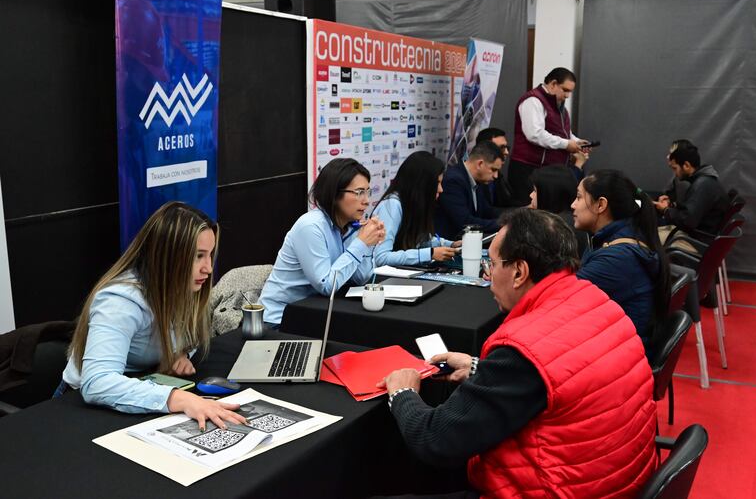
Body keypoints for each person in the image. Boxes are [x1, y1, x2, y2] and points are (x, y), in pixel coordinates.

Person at [379, 208, 657, 498]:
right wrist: (481, 369)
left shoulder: (525, 349)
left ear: (519, 272)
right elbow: (562, 383)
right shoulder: (598, 302)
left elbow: (434, 440)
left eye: (493, 264)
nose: (489, 274)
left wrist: (403, 394)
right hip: (614, 480)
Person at [60, 202, 246, 429]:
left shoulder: (185, 287)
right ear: (168, 257)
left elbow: (188, 337)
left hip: (138, 388)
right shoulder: (120, 301)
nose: (208, 268)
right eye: (198, 256)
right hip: (79, 407)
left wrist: (180, 352)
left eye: (209, 255)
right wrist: (179, 398)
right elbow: (98, 383)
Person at [258, 158, 386, 325]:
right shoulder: (311, 227)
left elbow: (361, 278)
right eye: (359, 192)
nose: (366, 200)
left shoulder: (349, 226)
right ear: (334, 194)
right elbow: (326, 286)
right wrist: (361, 243)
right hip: (278, 320)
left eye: (368, 192)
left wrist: (368, 243)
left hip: (315, 315)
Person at [572, 170, 671, 346]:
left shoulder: (617, 259)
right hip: (621, 347)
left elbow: (562, 299)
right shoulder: (625, 235)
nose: (573, 205)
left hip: (618, 355)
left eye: (579, 197)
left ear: (600, 205)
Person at [508, 67, 591, 206]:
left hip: (545, 169)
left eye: (570, 91)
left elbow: (563, 132)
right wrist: (566, 144)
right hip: (528, 169)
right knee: (531, 214)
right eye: (565, 90)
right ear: (553, 84)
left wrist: (577, 142)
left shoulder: (558, 106)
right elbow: (535, 134)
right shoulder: (533, 101)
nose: (567, 96)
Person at [372, 151, 460, 266]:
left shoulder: (413, 204)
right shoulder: (392, 205)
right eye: (437, 183)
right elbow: (381, 258)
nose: (441, 189)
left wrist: (451, 245)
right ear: (422, 184)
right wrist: (429, 254)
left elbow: (421, 239)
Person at [653, 142, 730, 241]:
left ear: (686, 165)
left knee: (647, 238)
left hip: (696, 241)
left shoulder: (702, 185)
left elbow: (687, 221)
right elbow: (692, 211)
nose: (675, 174)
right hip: (700, 237)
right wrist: (672, 206)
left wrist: (666, 210)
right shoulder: (705, 181)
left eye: (675, 168)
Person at [434, 141, 503, 239]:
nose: (496, 176)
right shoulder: (453, 181)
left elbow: (488, 211)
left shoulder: (478, 180)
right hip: (449, 244)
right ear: (480, 164)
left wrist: (516, 215)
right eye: (493, 170)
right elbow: (465, 222)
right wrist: (504, 224)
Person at [528, 165, 589, 256]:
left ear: (550, 194)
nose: (531, 195)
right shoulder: (569, 220)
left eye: (535, 191)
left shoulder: (556, 229)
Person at [476, 127, 515, 209]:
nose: (506, 152)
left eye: (506, 147)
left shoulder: (499, 177)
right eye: (502, 148)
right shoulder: (475, 180)